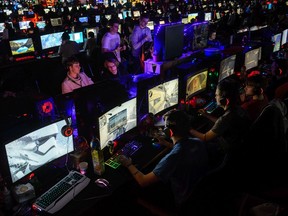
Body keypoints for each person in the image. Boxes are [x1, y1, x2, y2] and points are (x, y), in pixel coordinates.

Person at [117, 109, 209, 214]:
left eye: (165, 127)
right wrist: (166, 143)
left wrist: (128, 164)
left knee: (131, 192)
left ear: (170, 131)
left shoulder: (173, 157)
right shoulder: (198, 142)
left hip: (182, 202)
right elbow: (183, 148)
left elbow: (143, 181)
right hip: (198, 193)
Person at [189, 78, 251, 167]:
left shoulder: (226, 118)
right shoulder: (238, 109)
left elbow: (205, 137)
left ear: (225, 100)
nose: (215, 97)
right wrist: (207, 115)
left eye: (217, 95)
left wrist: (188, 128)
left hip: (226, 151)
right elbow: (223, 124)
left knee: (196, 147)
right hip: (239, 146)